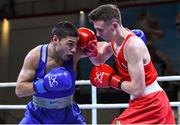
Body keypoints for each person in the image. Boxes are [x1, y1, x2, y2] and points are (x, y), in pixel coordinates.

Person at [88, 4, 175, 124]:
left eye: (100, 30)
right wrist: (89, 50)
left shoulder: (132, 46)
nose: (97, 34)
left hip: (152, 104)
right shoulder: (114, 42)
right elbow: (99, 59)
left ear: (114, 26)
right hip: (140, 102)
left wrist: (112, 80)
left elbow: (138, 89)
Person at [15, 21, 90, 124]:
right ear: (55, 39)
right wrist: (44, 85)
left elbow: (103, 49)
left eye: (76, 45)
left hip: (68, 115)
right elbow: (19, 90)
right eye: (70, 44)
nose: (73, 50)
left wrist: (93, 45)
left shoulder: (74, 54)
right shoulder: (35, 56)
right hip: (37, 115)